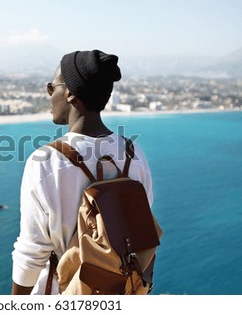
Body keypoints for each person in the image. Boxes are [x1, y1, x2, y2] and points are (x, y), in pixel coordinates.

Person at [11, 50, 154, 295]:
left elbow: (31, 253)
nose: (49, 95)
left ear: (69, 93)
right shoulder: (134, 153)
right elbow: (142, 234)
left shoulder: (45, 161)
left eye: (51, 87)